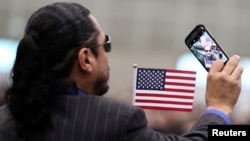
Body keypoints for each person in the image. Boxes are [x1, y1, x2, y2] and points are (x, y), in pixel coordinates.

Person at [0, 2, 243, 141]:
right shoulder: (116, 121)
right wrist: (219, 107)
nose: (108, 54)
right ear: (86, 59)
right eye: (105, 45)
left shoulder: (4, 120)